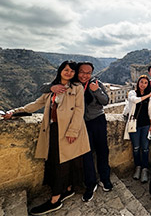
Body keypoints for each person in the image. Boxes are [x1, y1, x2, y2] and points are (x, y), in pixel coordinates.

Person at [4, 61, 90, 215]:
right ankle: (67, 190)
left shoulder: (76, 88)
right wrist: (15, 112)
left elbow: (79, 110)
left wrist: (72, 131)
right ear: (60, 71)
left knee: (63, 163)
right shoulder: (52, 89)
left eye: (72, 71)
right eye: (66, 70)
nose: (69, 73)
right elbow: (35, 104)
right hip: (54, 129)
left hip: (70, 131)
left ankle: (55, 200)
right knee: (57, 162)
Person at [41, 62, 112, 202]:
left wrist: (97, 90)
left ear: (92, 73)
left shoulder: (96, 83)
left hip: (98, 121)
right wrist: (51, 87)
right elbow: (42, 88)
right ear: (77, 72)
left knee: (102, 150)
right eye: (82, 72)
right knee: (86, 155)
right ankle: (90, 184)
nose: (85, 75)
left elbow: (106, 101)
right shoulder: (71, 84)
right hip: (81, 125)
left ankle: (105, 178)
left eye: (88, 72)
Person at [127, 75, 151, 183]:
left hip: (146, 125)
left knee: (145, 148)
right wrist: (148, 95)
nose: (143, 84)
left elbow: (150, 111)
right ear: (138, 83)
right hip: (134, 125)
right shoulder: (132, 93)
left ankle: (144, 169)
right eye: (141, 82)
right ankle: (138, 167)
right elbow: (134, 100)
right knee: (136, 148)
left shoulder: (149, 97)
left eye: (145, 83)